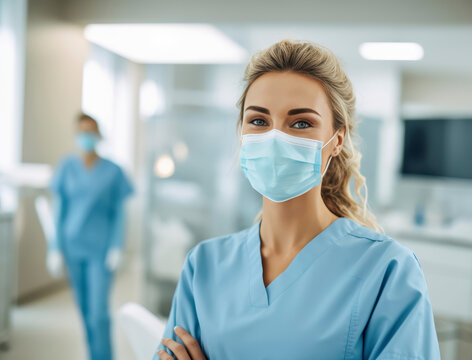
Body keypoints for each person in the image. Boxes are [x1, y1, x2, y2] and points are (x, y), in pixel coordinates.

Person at [154, 39, 440, 360]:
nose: (275, 137)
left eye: (301, 123)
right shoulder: (204, 266)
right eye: (259, 121)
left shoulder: (387, 271)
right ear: (242, 134)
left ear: (336, 141)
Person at [48, 113, 134, 360]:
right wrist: (55, 248)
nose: (86, 136)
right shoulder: (66, 167)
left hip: (101, 249)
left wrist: (117, 246)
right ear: (76, 135)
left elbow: (119, 213)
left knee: (98, 313)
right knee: (85, 311)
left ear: (98, 134)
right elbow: (59, 211)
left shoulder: (113, 171)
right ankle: (93, 355)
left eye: (90, 131)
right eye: (81, 131)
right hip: (71, 247)